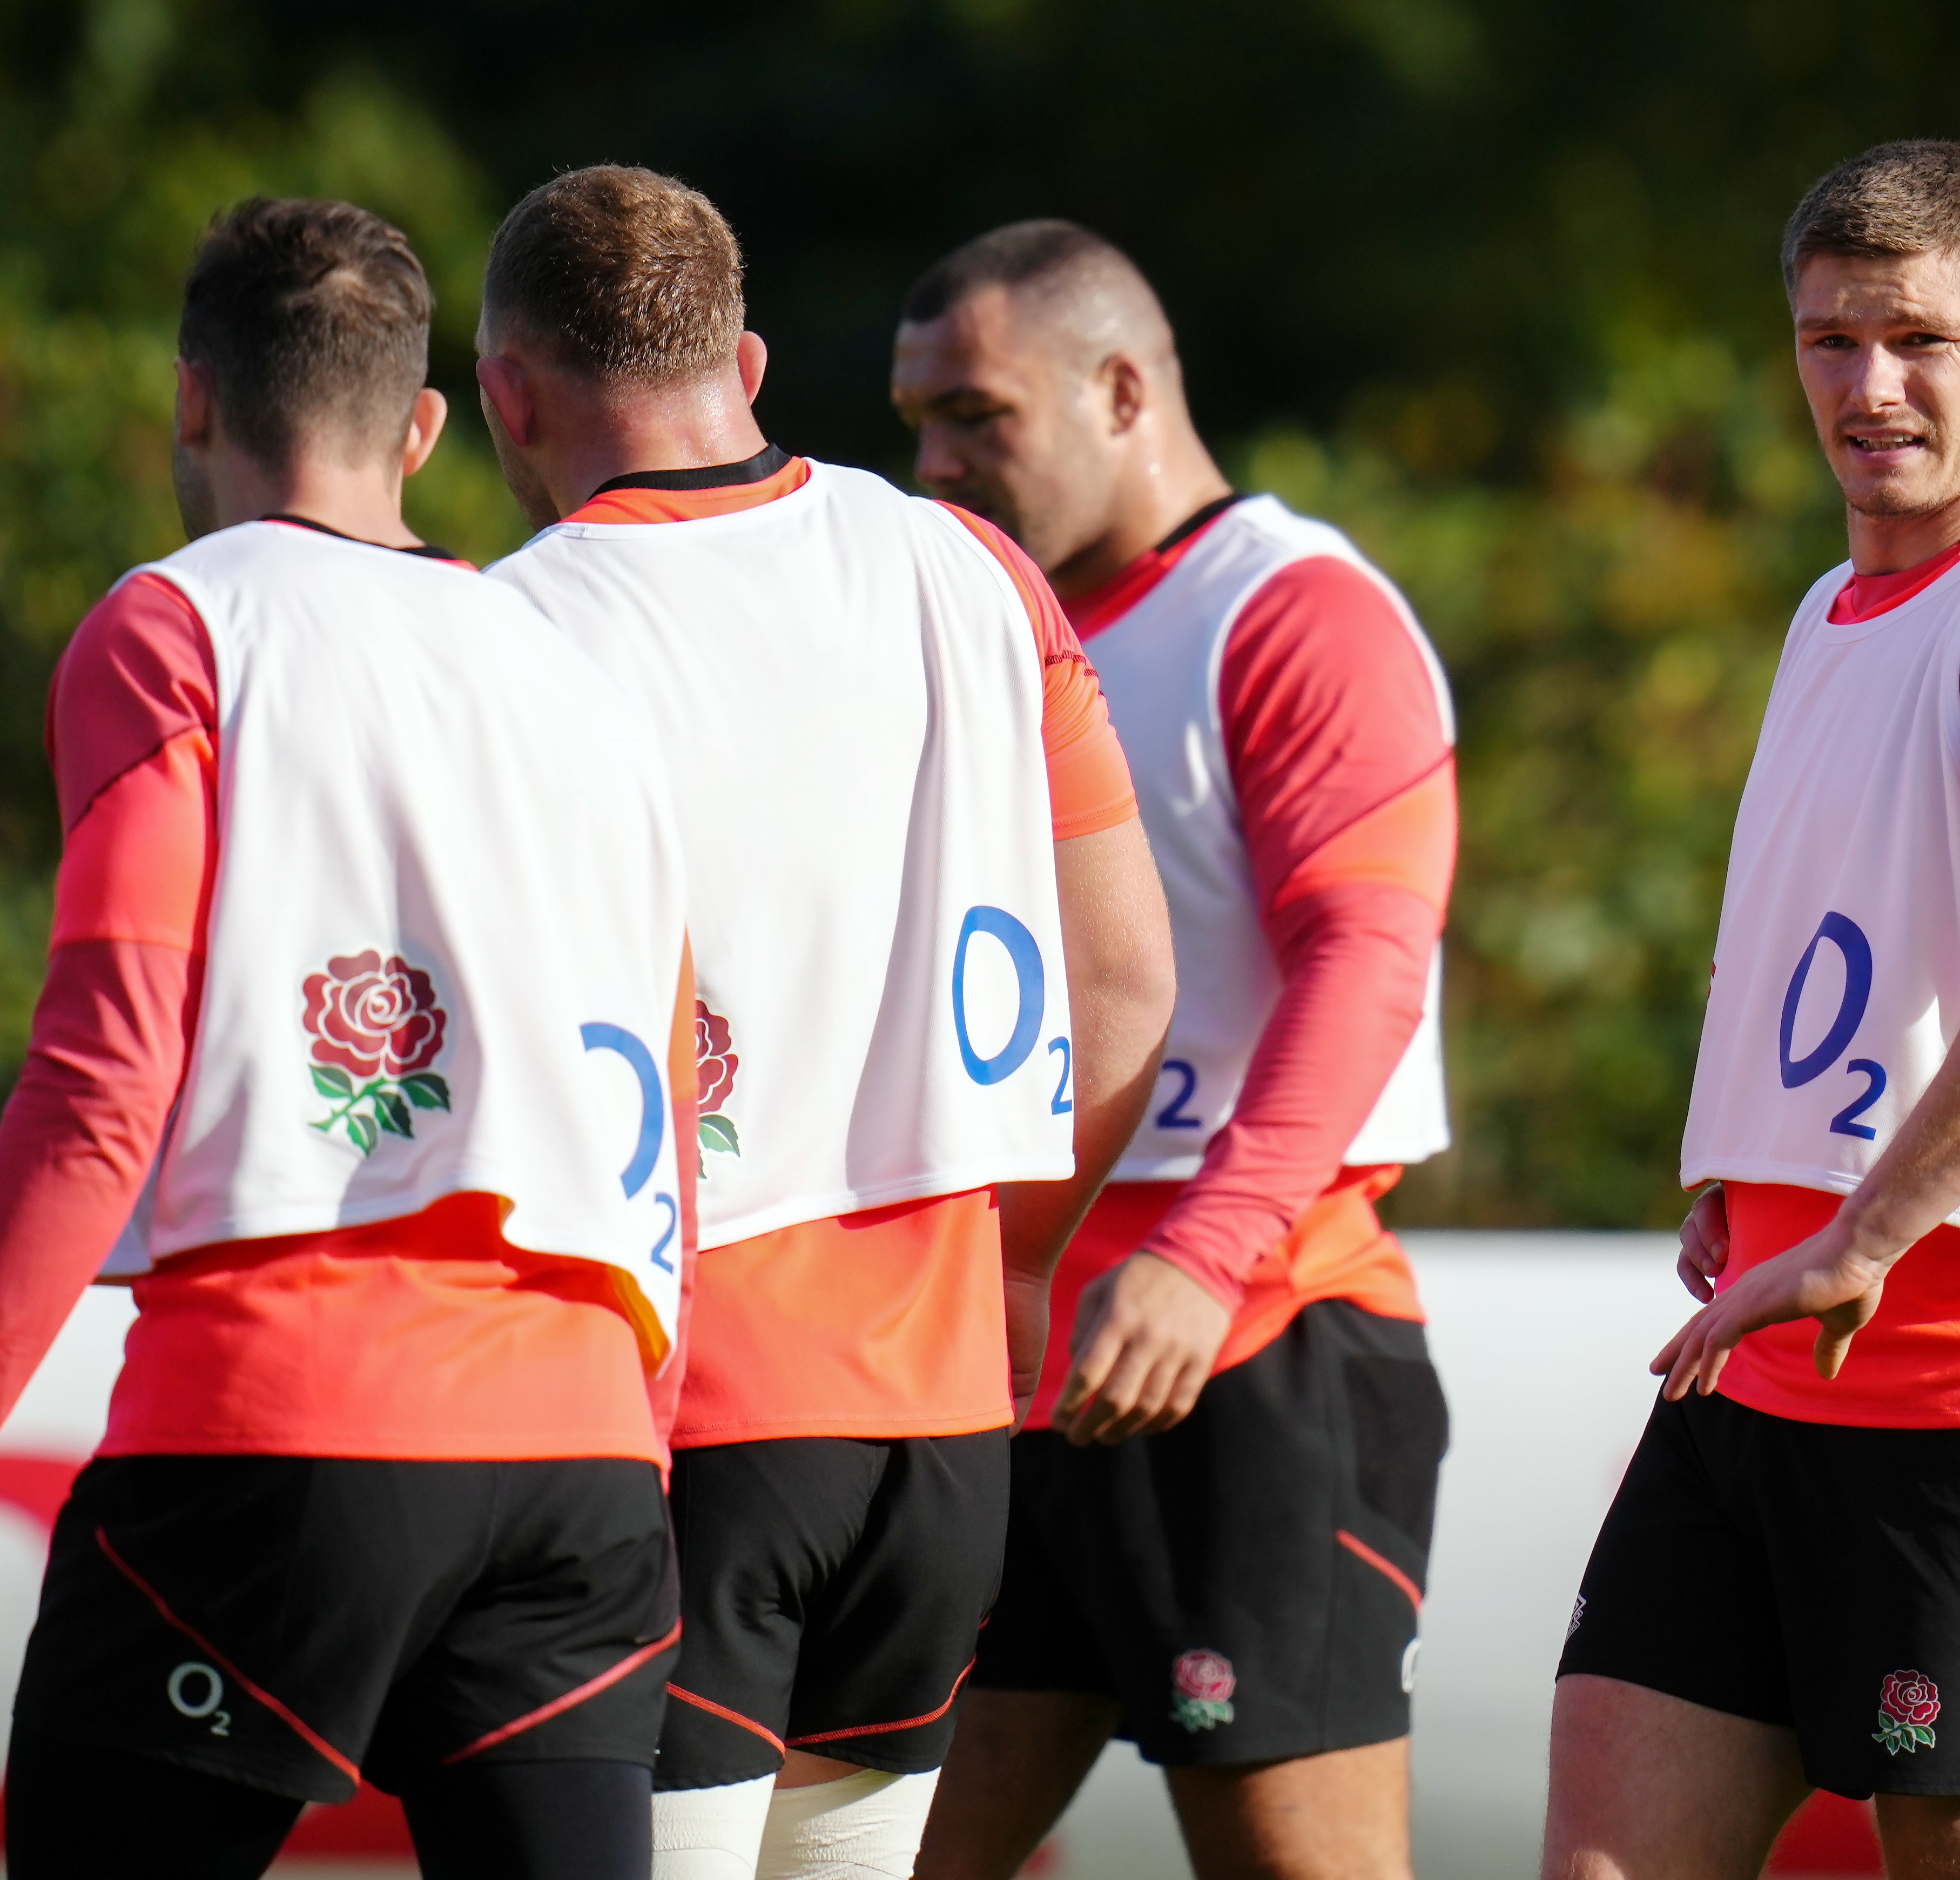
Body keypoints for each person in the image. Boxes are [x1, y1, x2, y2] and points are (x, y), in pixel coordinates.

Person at [0, 198, 699, 1880]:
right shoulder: (578, 664)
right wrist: (637, 1437)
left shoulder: (176, 625)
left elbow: (102, 1077)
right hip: (582, 1454)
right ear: (424, 425)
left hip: (287, 1430)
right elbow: (655, 1069)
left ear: (193, 402)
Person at [474, 168, 1177, 1880]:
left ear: (504, 392)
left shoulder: (509, 631)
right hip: (937, 1432)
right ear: (753, 360)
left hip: (682, 1424)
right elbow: (1131, 990)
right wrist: (1020, 1268)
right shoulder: (975, 570)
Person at [1544, 142, 1960, 1880]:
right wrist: (1753, 1167)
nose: (1871, 385)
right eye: (1831, 341)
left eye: (1920, 338)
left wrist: (1864, 1226)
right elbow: (1866, 937)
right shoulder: (1840, 598)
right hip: (1757, 1391)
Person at [890, 221, 1457, 1880]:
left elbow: (1370, 955)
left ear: (1123, 389)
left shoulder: (1290, 613)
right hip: (1007, 1383)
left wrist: (1206, 1258)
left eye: (976, 416)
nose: (934, 465)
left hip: (1252, 1353)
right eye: (915, 420)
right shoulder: (981, 637)